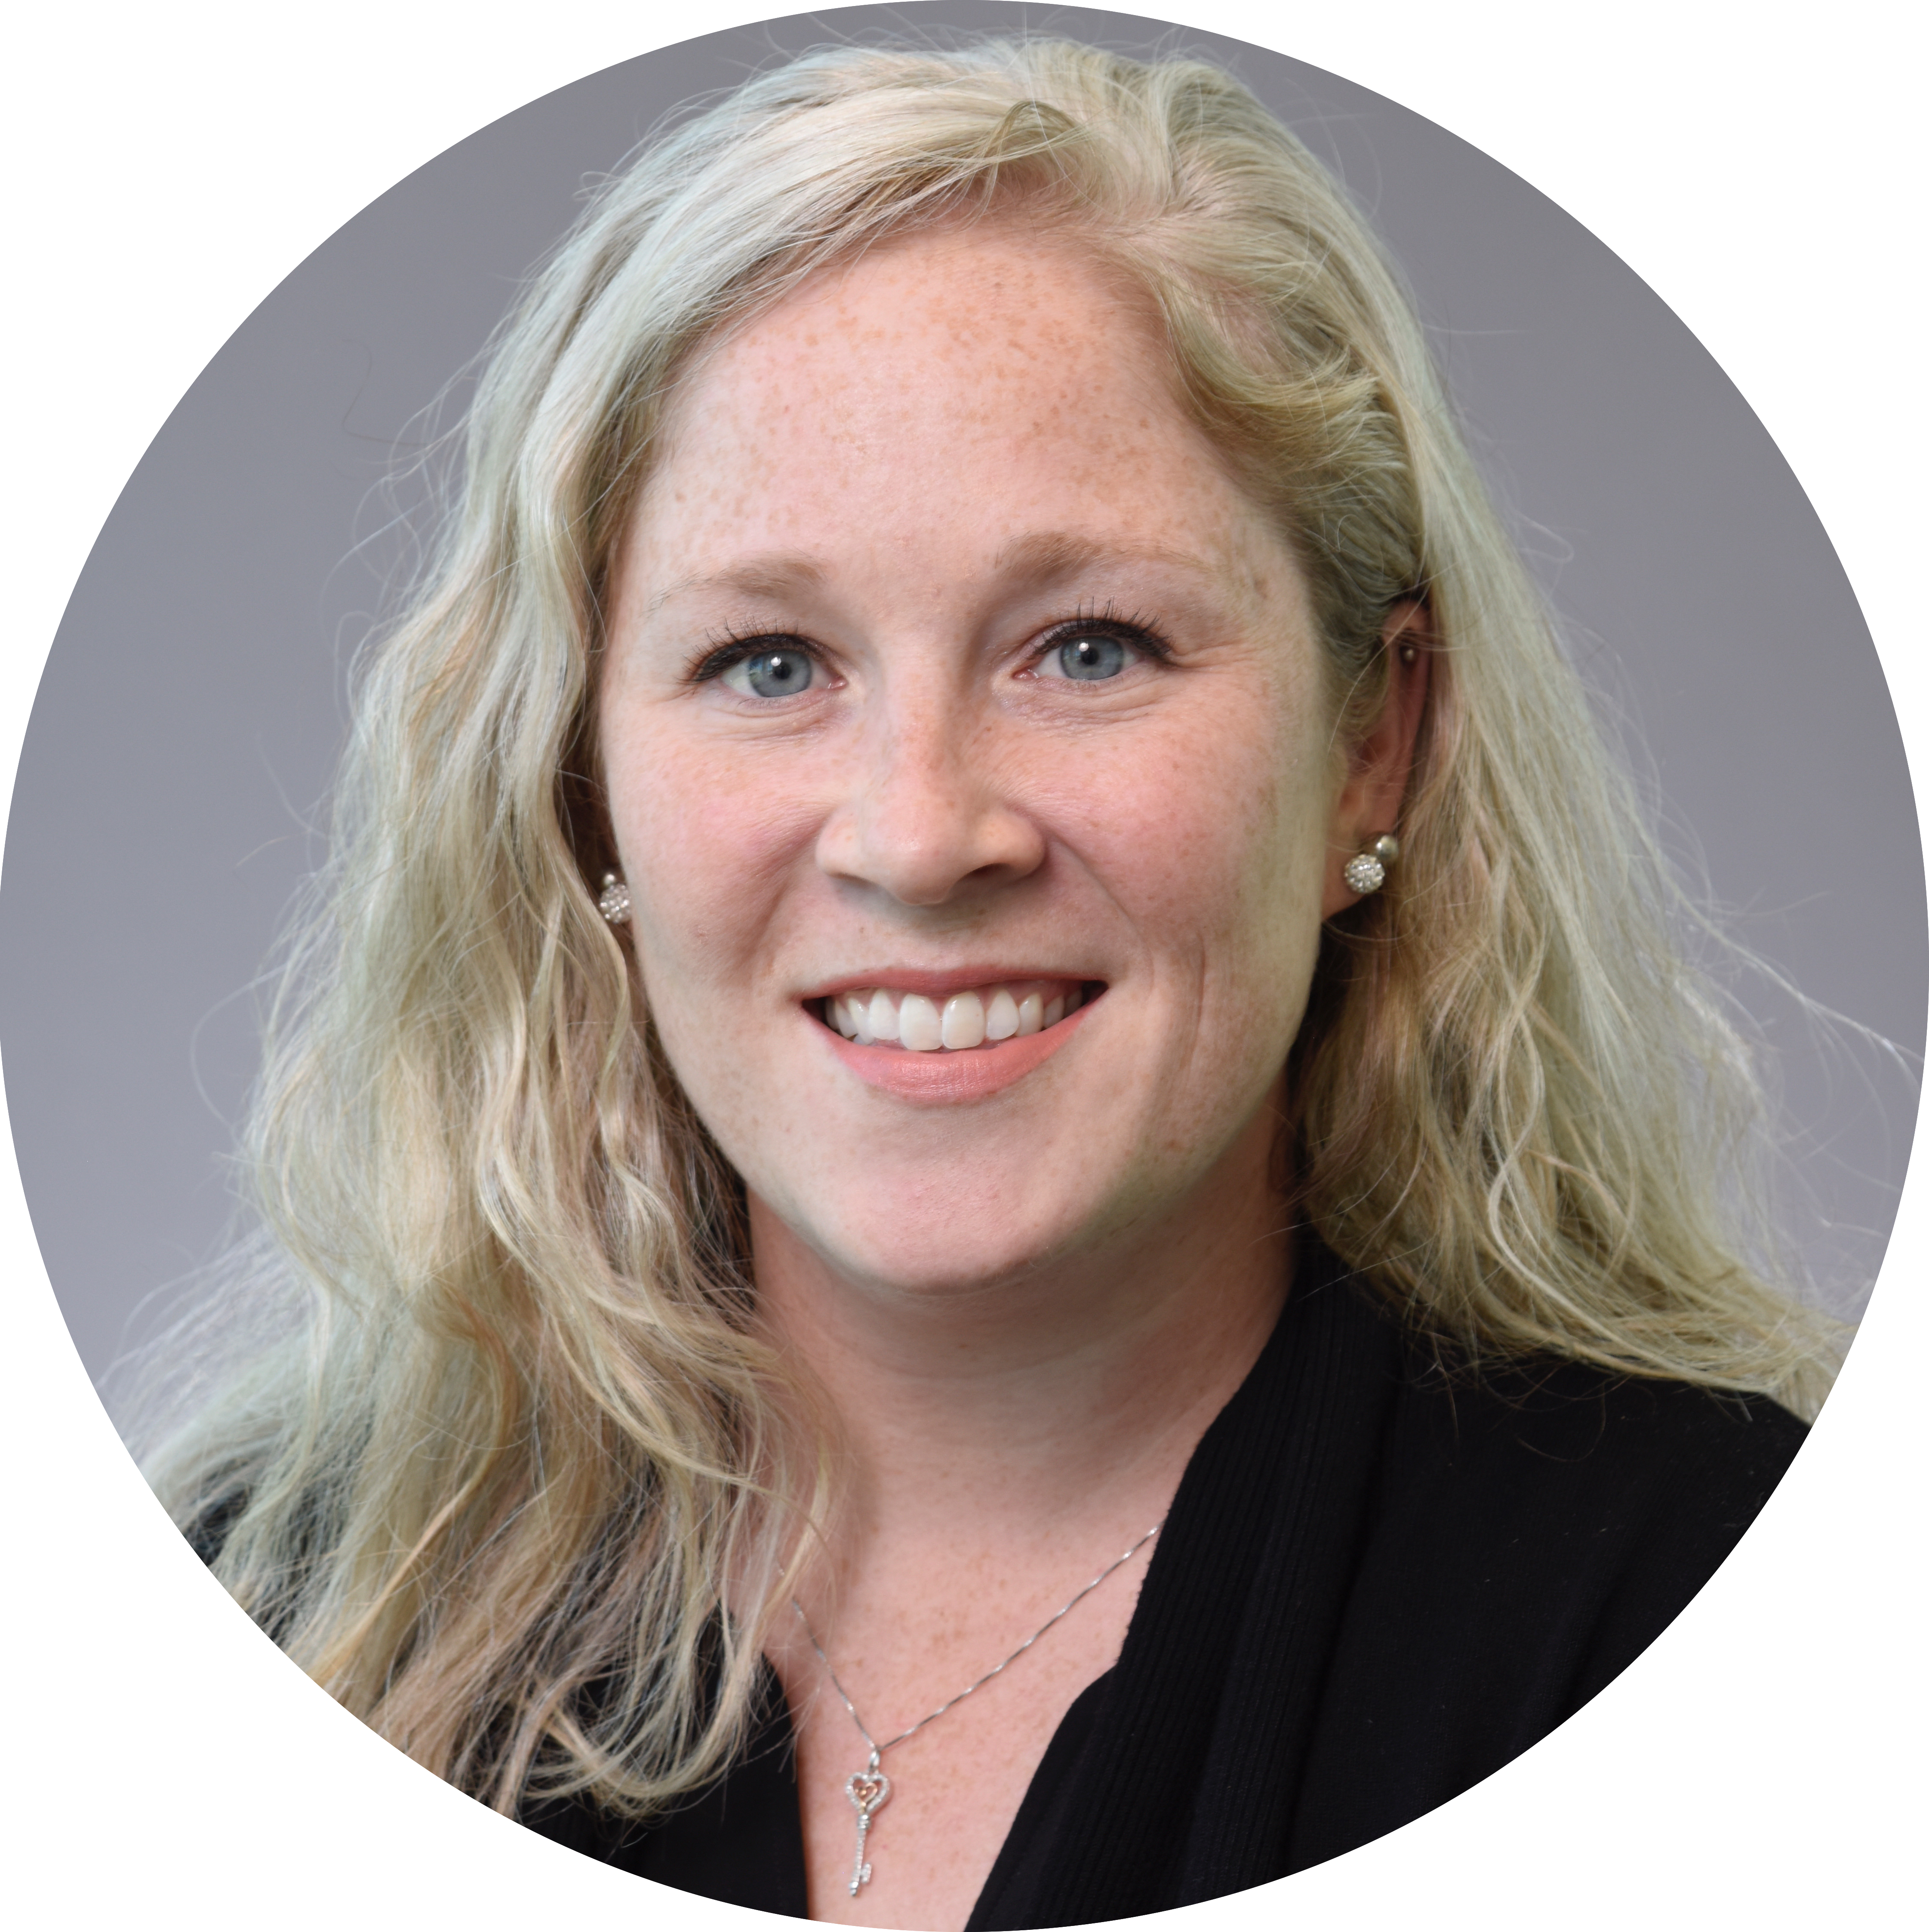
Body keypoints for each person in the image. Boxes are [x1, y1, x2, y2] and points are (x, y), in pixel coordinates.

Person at [141, 37, 1838, 1928]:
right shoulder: (296, 1593)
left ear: (1372, 733)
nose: (920, 833)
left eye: (1088, 647)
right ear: (579, 782)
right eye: (769, 664)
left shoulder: (1672, 1568)